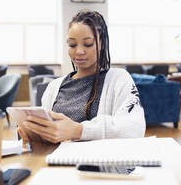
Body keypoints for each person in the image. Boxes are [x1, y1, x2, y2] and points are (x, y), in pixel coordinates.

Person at [19, 10, 145, 144]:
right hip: (56, 162)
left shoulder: (118, 79)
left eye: (88, 44)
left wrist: (78, 130)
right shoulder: (53, 88)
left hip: (97, 162)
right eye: (72, 45)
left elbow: (134, 128)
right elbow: (48, 134)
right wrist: (34, 135)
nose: (79, 51)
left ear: (101, 44)